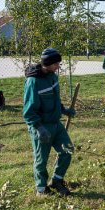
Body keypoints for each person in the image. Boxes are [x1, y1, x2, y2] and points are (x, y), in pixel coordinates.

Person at [23, 48, 76, 196]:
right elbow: (28, 111)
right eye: (56, 64)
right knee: (41, 159)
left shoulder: (52, 76)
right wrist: (39, 128)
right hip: (41, 125)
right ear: (47, 63)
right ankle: (41, 189)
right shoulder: (33, 82)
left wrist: (63, 110)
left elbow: (53, 99)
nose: (58, 66)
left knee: (68, 150)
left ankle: (56, 180)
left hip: (55, 123)